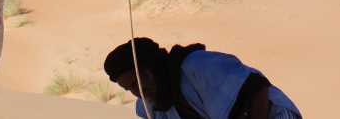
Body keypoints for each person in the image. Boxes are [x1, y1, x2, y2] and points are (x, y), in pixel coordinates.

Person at [105, 38, 301, 119]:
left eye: (136, 83)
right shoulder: (148, 107)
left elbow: (257, 86)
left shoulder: (198, 65)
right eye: (130, 89)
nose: (138, 92)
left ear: (152, 68)